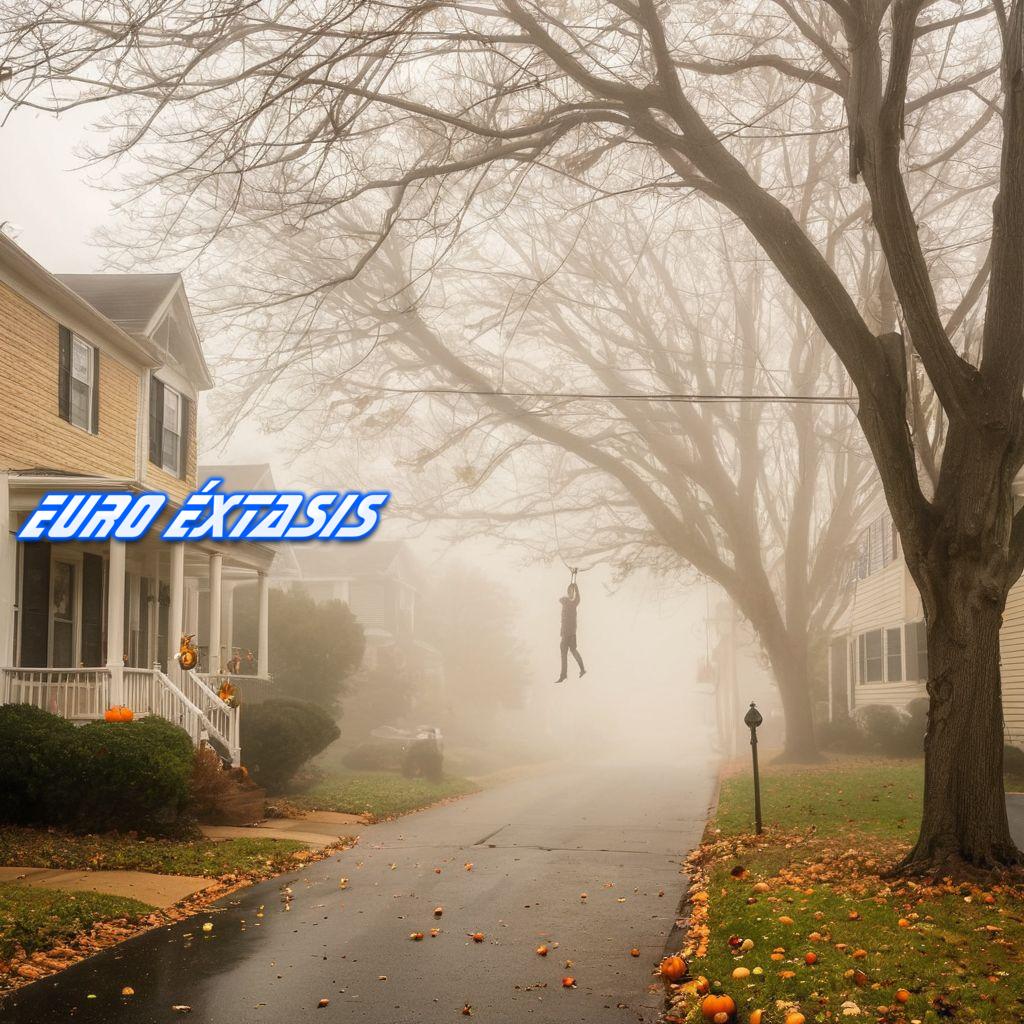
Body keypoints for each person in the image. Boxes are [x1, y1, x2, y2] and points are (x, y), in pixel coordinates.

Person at [555, 578, 586, 683]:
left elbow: (577, 597)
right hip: (566, 633)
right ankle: (564, 675)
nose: (571, 594)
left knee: (572, 651)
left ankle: (581, 669)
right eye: (570, 592)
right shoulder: (568, 602)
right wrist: (574, 586)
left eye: (571, 593)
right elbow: (566, 599)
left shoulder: (571, 603)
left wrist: (575, 586)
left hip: (570, 634)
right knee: (566, 653)